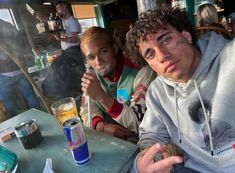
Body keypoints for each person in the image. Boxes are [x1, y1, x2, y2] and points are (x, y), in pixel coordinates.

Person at [126, 7, 235, 173]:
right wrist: (147, 161)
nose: (162, 55)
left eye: (166, 40)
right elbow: (152, 135)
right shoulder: (157, 92)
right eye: (150, 53)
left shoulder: (230, 57)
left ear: (186, 36)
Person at [79, 26, 156, 142]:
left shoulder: (141, 71)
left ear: (114, 48)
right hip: (111, 139)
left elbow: (140, 123)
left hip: (145, 139)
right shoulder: (92, 75)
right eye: (91, 57)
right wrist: (101, 126)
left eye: (103, 51)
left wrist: (101, 96)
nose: (98, 62)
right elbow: (86, 110)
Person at [42, 1, 85, 100]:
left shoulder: (72, 21)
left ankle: (64, 94)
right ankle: (56, 93)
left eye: (58, 9)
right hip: (67, 52)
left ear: (64, 7)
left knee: (58, 70)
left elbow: (74, 39)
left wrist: (59, 39)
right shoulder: (63, 22)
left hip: (74, 51)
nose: (57, 11)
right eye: (56, 9)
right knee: (56, 69)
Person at [0, 19, 41, 118]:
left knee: (6, 99)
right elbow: (22, 43)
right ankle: (39, 116)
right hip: (19, 69)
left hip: (4, 72)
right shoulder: (9, 25)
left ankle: (13, 121)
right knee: (29, 95)